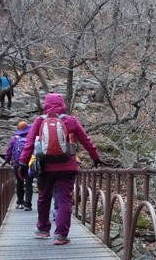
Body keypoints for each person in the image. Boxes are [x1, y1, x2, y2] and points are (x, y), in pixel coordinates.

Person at [18, 93, 102, 245]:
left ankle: (43, 229)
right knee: (64, 199)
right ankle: (61, 235)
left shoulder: (39, 121)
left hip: (45, 167)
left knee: (44, 198)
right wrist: (95, 157)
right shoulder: (71, 121)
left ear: (46, 105)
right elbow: (86, 140)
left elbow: (29, 143)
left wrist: (23, 163)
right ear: (62, 104)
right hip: (67, 167)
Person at [2, 121, 33, 210]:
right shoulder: (31, 138)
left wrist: (7, 160)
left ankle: (20, 202)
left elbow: (9, 151)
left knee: (19, 182)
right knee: (28, 184)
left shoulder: (14, 139)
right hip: (29, 163)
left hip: (17, 164)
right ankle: (28, 204)